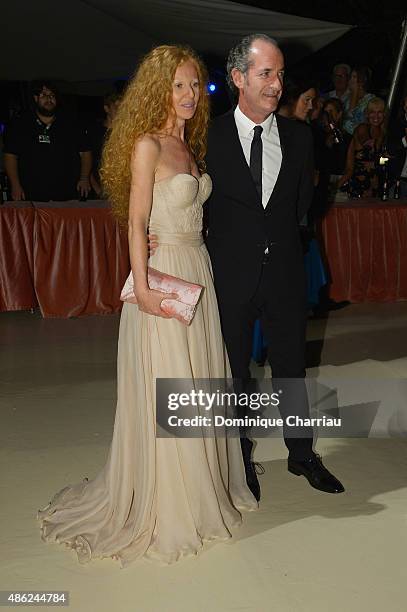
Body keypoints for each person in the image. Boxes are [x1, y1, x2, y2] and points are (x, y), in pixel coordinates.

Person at [36, 45, 257, 568]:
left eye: (193, 86)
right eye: (176, 85)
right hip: (163, 278)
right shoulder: (147, 145)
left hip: (197, 270)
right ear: (159, 90)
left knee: (199, 381)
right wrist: (145, 286)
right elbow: (135, 222)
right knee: (170, 384)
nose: (186, 96)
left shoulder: (190, 144)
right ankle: (169, 502)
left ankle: (203, 485)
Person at [204, 34, 344, 498]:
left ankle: (301, 455)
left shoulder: (301, 137)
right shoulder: (208, 136)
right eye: (267, 73)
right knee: (236, 373)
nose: (277, 84)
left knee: (291, 369)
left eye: (281, 74)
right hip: (231, 275)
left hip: (285, 271)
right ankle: (238, 457)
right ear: (239, 78)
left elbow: (304, 202)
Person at [3, 80, 91, 201]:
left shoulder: (71, 123)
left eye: (52, 96)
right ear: (35, 98)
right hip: (31, 193)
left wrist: (84, 178)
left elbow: (85, 153)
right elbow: (10, 156)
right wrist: (15, 185)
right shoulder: (21, 124)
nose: (49, 99)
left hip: (66, 194)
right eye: (44, 95)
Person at [339, 96, 387, 198]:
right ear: (367, 114)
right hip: (358, 187)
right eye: (372, 112)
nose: (376, 116)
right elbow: (365, 144)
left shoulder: (384, 133)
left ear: (384, 114)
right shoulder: (362, 128)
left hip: (377, 189)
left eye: (380, 112)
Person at [88, 92, 121, 196]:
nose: (121, 109)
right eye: (116, 106)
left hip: (121, 189)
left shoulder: (127, 133)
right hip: (100, 188)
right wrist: (97, 188)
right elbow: (87, 160)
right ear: (106, 108)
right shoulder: (95, 132)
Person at [343, 66, 374, 135]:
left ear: (363, 80)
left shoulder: (370, 100)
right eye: (350, 77)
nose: (350, 80)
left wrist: (355, 92)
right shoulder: (346, 99)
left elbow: (352, 117)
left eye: (354, 77)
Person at [387, 93, 407, 198]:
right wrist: (405, 140)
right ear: (404, 106)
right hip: (400, 182)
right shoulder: (396, 125)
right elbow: (390, 149)